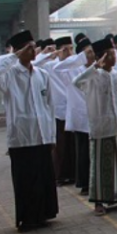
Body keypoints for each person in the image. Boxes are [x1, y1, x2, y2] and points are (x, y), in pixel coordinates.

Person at [0, 31, 59, 231]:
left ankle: (44, 214)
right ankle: (28, 218)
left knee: (43, 178)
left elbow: (49, 107)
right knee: (26, 180)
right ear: (18, 51)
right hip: (23, 137)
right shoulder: (10, 75)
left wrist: (51, 136)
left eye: (34, 47)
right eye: (28, 48)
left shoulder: (42, 75)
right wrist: (14, 56)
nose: (33, 51)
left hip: (41, 134)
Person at [74, 38, 117, 216]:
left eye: (114, 53)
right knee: (100, 165)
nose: (114, 57)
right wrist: (95, 67)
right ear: (102, 57)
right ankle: (99, 201)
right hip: (101, 127)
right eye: (110, 54)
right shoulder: (92, 77)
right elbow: (76, 82)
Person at [54, 37, 95, 195]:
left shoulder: (94, 68)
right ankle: (84, 183)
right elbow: (58, 68)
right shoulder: (72, 69)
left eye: (92, 52)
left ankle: (92, 181)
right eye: (88, 52)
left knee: (91, 151)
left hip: (93, 115)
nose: (91, 55)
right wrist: (78, 58)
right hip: (80, 116)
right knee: (82, 151)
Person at [33, 36, 76, 185]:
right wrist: (48, 54)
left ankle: (73, 174)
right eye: (65, 49)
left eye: (71, 48)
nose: (69, 52)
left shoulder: (74, 65)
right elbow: (34, 63)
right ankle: (59, 175)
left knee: (72, 146)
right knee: (60, 146)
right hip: (58, 111)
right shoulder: (51, 66)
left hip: (73, 109)